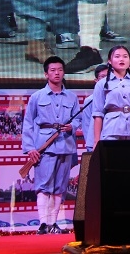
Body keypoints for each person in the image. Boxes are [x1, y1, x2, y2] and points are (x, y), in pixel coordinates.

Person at [21, 56, 80, 234]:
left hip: (66, 145)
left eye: (60, 70)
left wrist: (72, 126)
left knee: (60, 186)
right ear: (46, 74)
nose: (57, 73)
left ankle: (53, 223)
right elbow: (28, 123)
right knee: (43, 185)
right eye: (53, 70)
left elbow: (78, 119)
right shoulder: (37, 97)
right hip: (44, 146)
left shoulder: (72, 97)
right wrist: (30, 148)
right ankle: (43, 223)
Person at [92, 45, 130, 145]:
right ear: (109, 61)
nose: (121, 59)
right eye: (117, 56)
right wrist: (96, 142)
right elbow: (98, 114)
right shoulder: (102, 84)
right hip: (112, 130)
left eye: (125, 56)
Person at [82, 64, 108, 151]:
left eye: (108, 76)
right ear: (96, 80)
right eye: (103, 77)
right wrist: (90, 143)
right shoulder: (89, 100)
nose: (106, 79)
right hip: (94, 143)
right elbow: (86, 124)